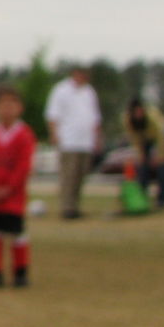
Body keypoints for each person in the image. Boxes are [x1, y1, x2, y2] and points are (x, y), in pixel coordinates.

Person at [0, 84, 36, 288]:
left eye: (12, 104)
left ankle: (20, 272)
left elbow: (24, 165)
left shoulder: (24, 135)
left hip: (13, 196)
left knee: (17, 233)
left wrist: (9, 188)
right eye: (2, 104)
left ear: (20, 108)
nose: (7, 109)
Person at [44, 65, 101, 219]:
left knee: (80, 176)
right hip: (68, 141)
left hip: (86, 142)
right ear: (75, 73)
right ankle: (66, 207)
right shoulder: (61, 90)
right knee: (68, 176)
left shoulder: (89, 92)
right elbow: (52, 114)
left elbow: (95, 118)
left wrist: (96, 138)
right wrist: (54, 134)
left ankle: (75, 206)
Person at [122, 96, 164, 210]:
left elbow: (161, 136)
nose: (139, 114)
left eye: (140, 111)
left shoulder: (151, 117)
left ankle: (162, 199)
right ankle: (142, 197)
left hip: (162, 133)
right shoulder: (127, 120)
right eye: (136, 112)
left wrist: (161, 155)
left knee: (162, 166)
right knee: (142, 166)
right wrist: (141, 154)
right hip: (144, 139)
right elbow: (134, 138)